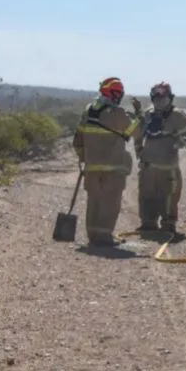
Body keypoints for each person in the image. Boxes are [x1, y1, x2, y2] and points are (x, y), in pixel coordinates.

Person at [72, 77, 141, 247]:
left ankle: (93, 236)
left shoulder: (88, 112)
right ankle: (104, 237)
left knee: (94, 202)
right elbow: (136, 132)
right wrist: (138, 115)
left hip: (92, 169)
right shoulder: (118, 113)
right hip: (113, 170)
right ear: (115, 95)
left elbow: (77, 141)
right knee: (110, 203)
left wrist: (84, 159)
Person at [133, 81, 186, 236]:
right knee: (146, 194)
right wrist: (139, 151)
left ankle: (168, 224)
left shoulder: (177, 115)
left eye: (163, 99)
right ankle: (148, 223)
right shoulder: (147, 114)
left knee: (169, 196)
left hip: (168, 166)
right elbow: (137, 134)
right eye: (157, 99)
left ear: (170, 98)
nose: (160, 102)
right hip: (148, 166)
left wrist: (180, 142)